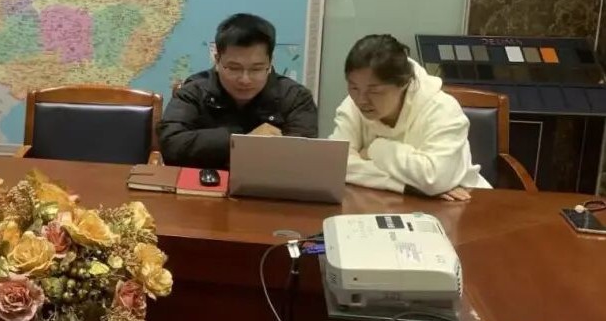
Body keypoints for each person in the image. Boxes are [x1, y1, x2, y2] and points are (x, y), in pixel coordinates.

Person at [330, 34, 490, 199]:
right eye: (354, 88)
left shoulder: (442, 109)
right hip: (383, 199)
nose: (361, 100)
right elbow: (334, 164)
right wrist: (406, 185)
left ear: (403, 83)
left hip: (463, 200)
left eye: (374, 91)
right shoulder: (352, 105)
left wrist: (375, 150)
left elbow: (433, 179)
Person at [158, 13, 318, 169]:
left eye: (256, 69)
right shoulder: (194, 91)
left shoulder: (295, 97)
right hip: (203, 185)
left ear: (270, 62)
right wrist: (242, 141)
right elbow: (170, 146)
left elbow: (302, 159)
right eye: (234, 68)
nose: (245, 79)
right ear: (217, 60)